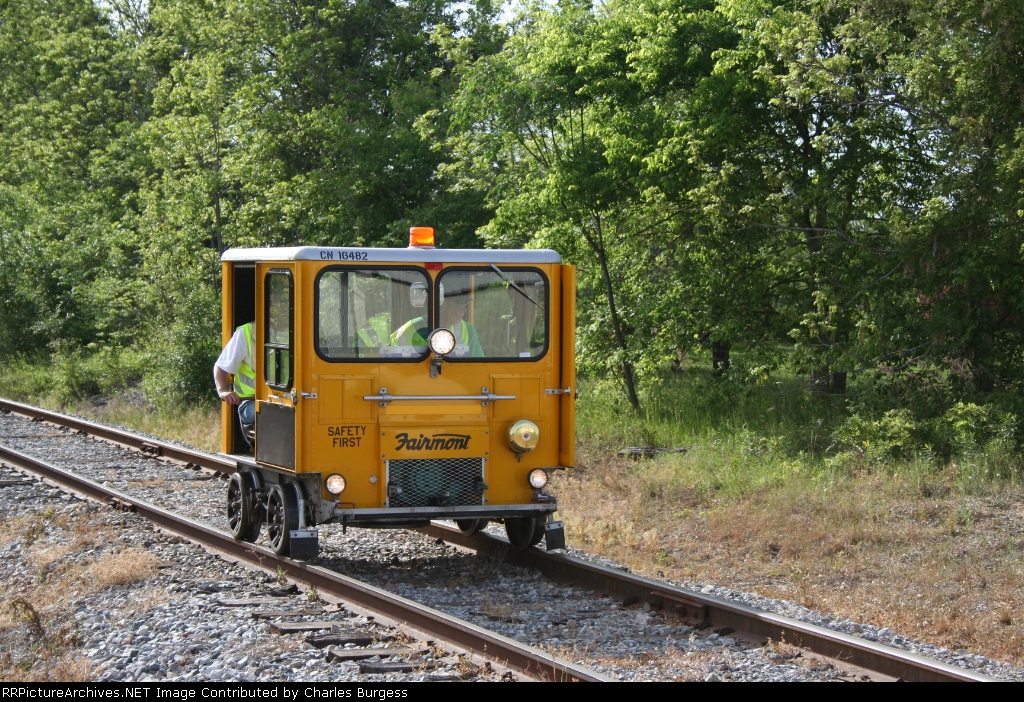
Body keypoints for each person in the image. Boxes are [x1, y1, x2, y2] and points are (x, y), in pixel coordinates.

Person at [391, 297, 484, 357]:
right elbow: (389, 364)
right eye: (459, 306)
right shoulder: (410, 328)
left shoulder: (468, 330)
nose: (464, 310)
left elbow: (478, 366)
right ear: (442, 306)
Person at [214, 321, 256, 445]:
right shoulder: (247, 332)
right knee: (272, 416)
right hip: (250, 402)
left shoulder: (295, 328)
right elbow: (221, 366)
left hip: (283, 401)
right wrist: (223, 391)